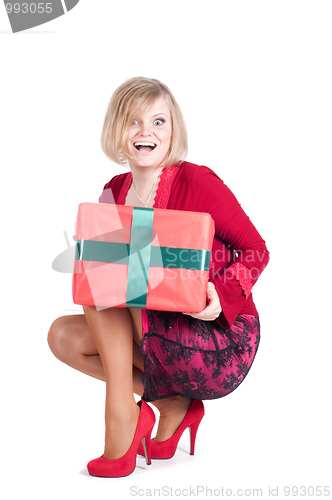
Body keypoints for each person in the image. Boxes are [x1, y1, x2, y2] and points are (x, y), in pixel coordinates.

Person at [47, 76, 269, 478]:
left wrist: (220, 293)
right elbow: (107, 279)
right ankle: (168, 404)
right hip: (152, 329)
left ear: (172, 131)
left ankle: (122, 420)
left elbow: (256, 250)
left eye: (159, 122)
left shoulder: (197, 181)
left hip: (218, 338)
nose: (146, 132)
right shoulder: (114, 190)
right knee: (65, 333)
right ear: (118, 130)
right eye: (134, 121)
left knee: (111, 283)